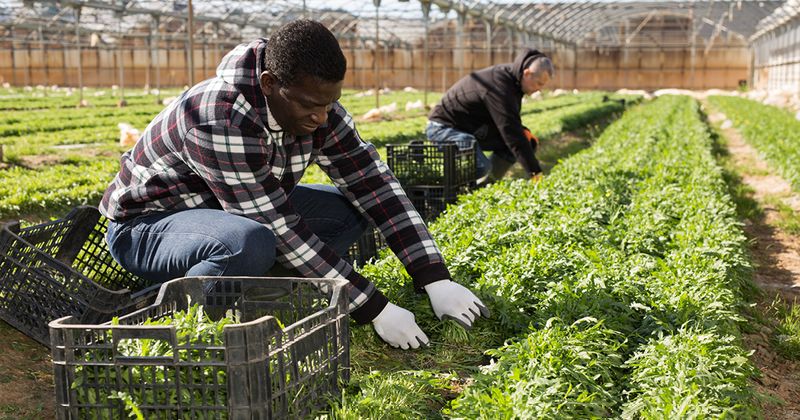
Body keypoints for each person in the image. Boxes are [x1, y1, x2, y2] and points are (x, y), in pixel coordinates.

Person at [99, 20, 488, 350]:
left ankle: (251, 283)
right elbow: (275, 224)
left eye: (329, 103)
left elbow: (374, 184)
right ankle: (187, 311)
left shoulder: (317, 108)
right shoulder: (218, 117)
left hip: (226, 211)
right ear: (269, 84)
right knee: (249, 242)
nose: (321, 117)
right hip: (148, 228)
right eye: (308, 105)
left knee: (350, 209)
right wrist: (373, 306)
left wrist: (433, 276)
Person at [426, 49, 554, 186]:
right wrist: (535, 172)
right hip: (444, 128)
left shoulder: (514, 83)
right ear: (527, 73)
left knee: (523, 142)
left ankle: (484, 186)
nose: (539, 89)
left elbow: (506, 119)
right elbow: (509, 129)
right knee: (481, 166)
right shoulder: (499, 84)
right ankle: (440, 188)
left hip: (470, 127)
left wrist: (523, 132)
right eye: (539, 83)